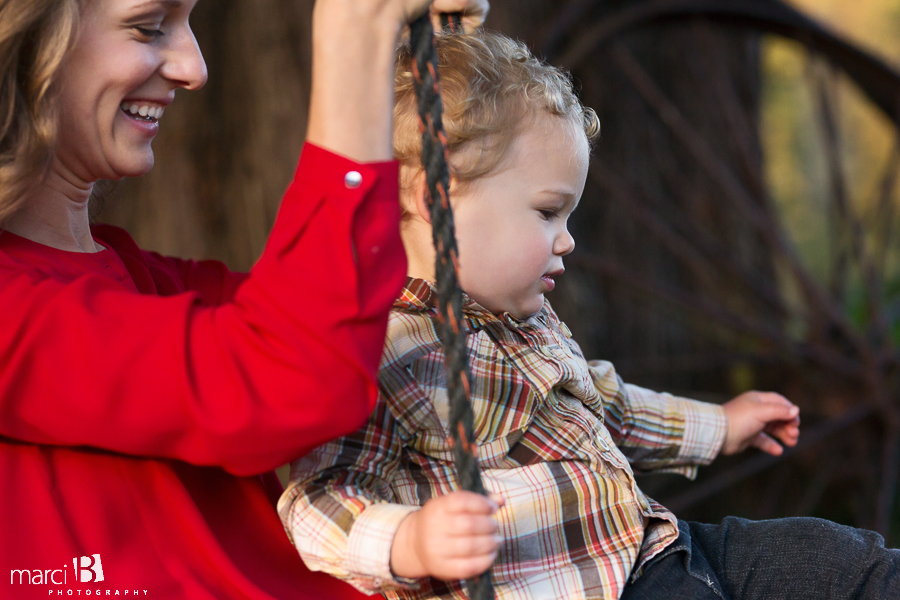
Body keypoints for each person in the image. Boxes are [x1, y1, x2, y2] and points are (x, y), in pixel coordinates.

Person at [279, 31, 900, 600]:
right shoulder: (386, 349)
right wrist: (407, 540)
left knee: (837, 560)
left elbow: (612, 406)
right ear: (436, 199)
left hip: (658, 547)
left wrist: (718, 425)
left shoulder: (529, 320)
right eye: (549, 212)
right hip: (589, 591)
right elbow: (316, 501)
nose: (567, 239)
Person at [0, 0, 488, 598]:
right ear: (24, 47)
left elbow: (370, 327)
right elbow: (290, 378)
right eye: (148, 27)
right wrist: (354, 28)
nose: (193, 67)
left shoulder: (144, 279)